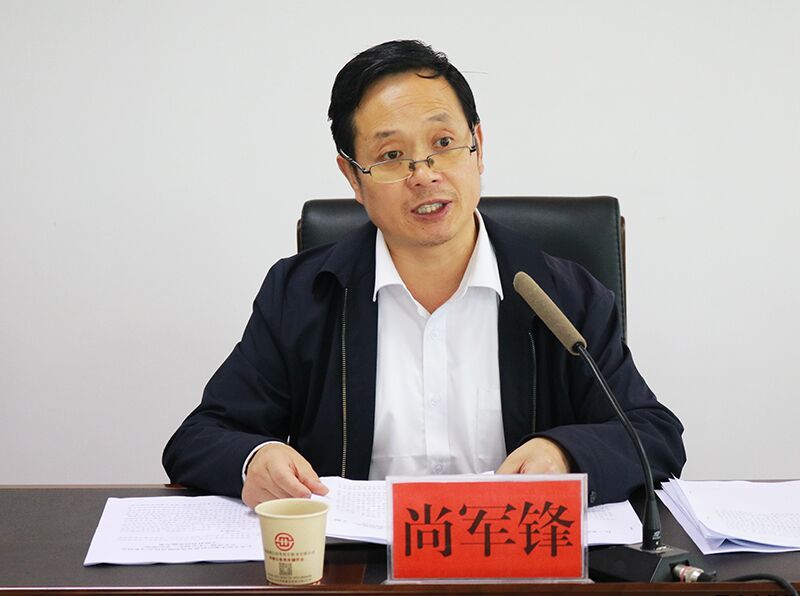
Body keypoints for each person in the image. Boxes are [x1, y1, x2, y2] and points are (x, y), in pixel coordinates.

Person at [163, 40, 685, 508]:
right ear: (353, 177)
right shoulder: (301, 295)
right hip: (357, 568)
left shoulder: (563, 296)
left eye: (443, 143)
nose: (424, 174)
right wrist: (255, 459)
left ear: (478, 146)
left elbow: (654, 434)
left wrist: (564, 453)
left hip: (517, 560)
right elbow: (200, 437)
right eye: (392, 155)